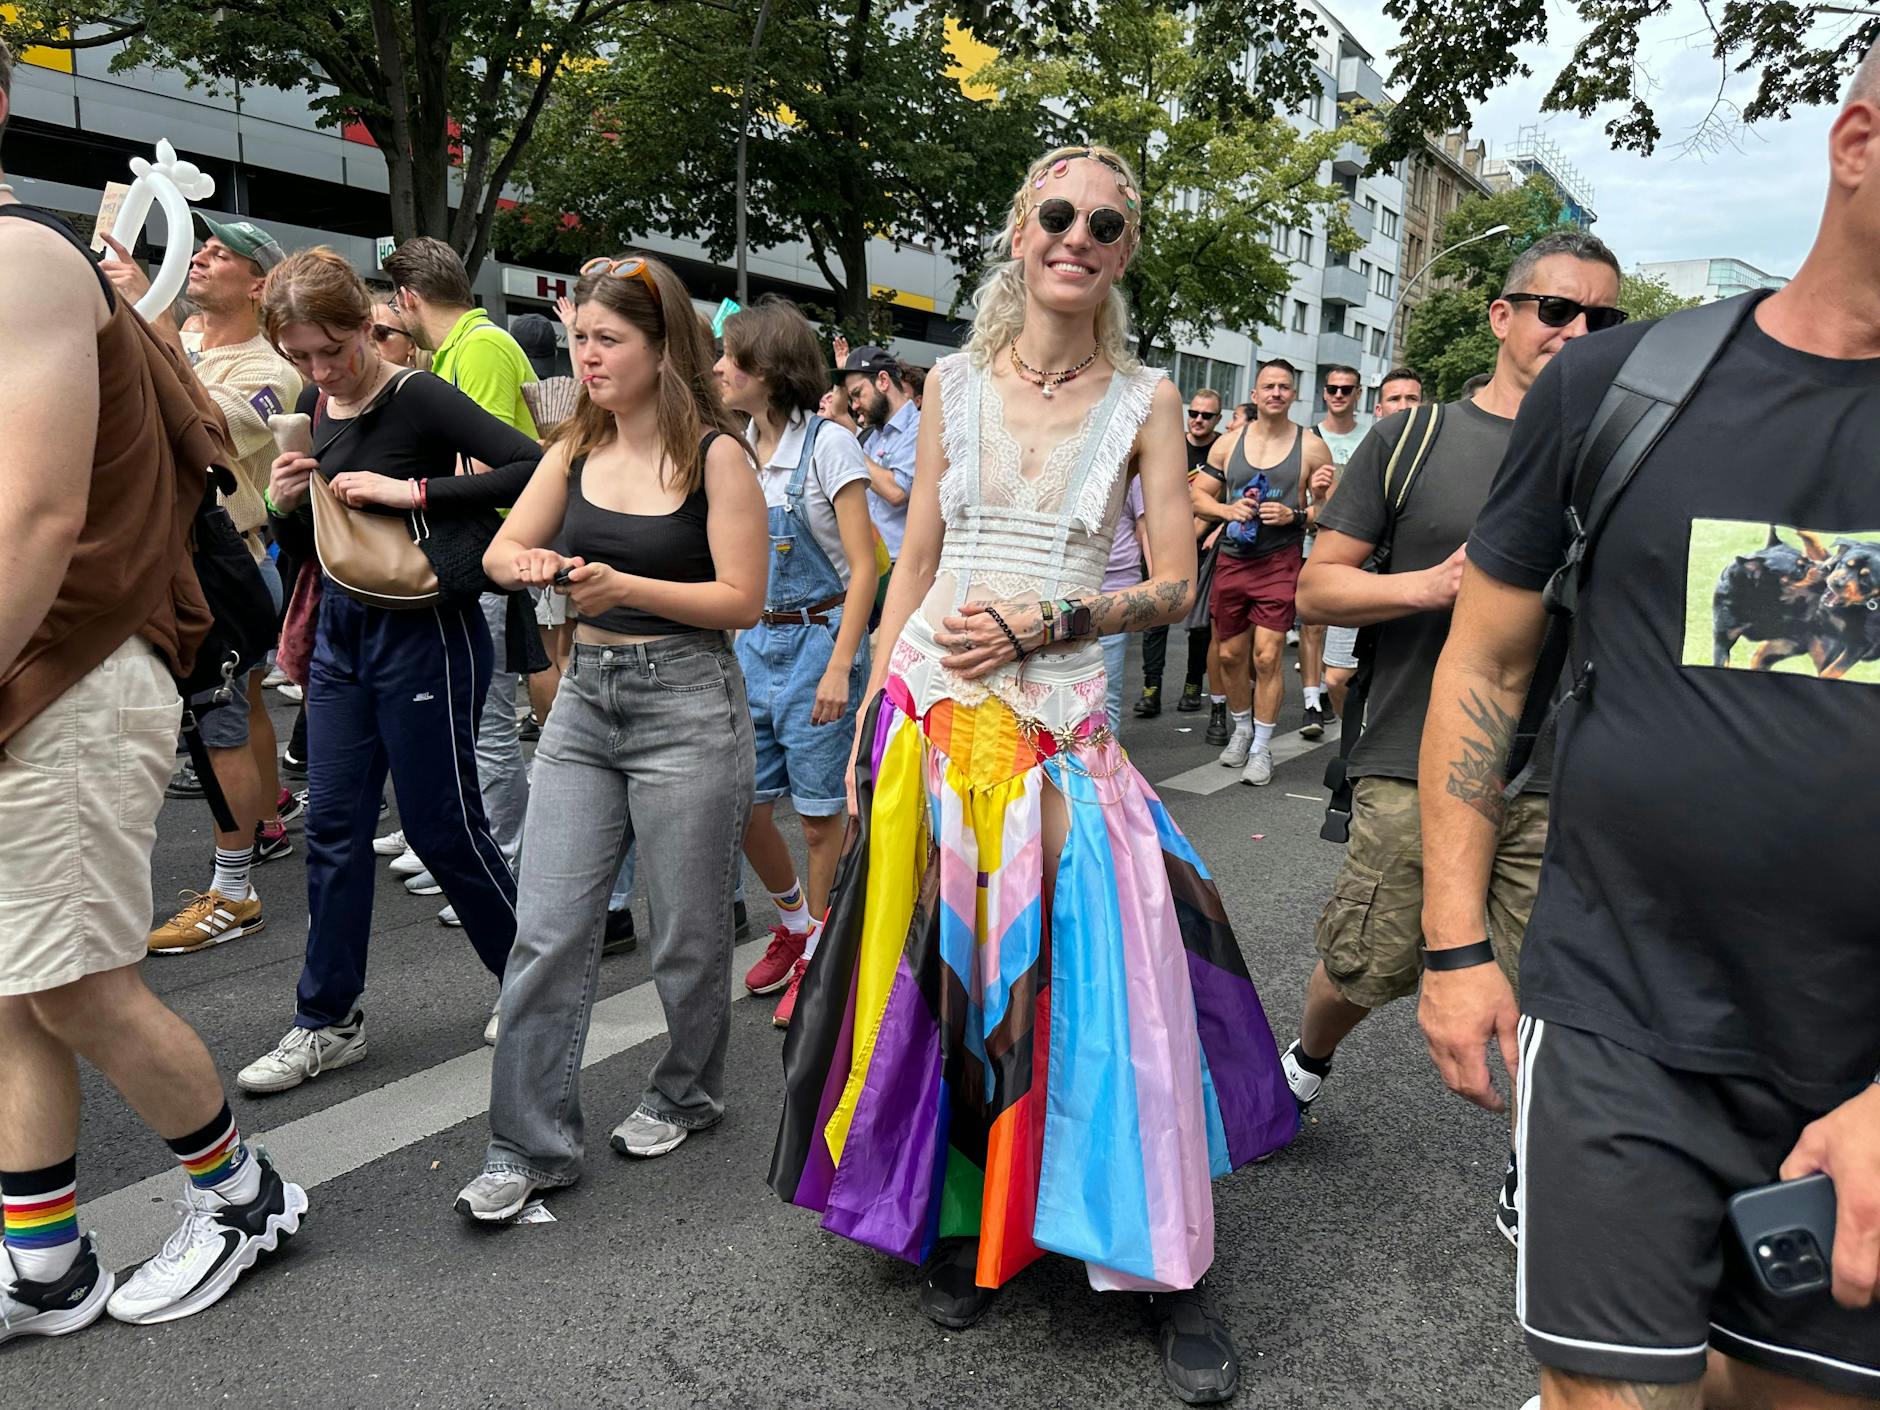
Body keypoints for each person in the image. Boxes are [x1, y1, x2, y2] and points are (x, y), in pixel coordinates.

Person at [768, 146, 1297, 1407]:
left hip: (1060, 718)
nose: (1076, 234)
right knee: (941, 969)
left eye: (1102, 223)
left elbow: (1174, 582)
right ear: (1019, 231)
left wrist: (1050, 619)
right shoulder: (948, 382)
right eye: (1055, 213)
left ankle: (1160, 1262)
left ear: (1120, 252)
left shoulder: (1148, 401)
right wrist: (864, 701)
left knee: (1106, 983)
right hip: (930, 717)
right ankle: (968, 1220)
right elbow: (915, 560)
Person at [1425, 50, 1880, 1409]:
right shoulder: (1621, 387)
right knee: (1611, 1397)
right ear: (1857, 142)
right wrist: (1454, 942)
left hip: (1860, 1055)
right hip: (1628, 1011)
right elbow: (1487, 665)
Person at [0, 45, 307, 1335]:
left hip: (60, 670)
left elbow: (35, 512)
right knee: (19, 983)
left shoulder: (17, 260)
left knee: (76, 984)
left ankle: (244, 1197)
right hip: (36, 674)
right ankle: (45, 1264)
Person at [1287, 232, 1622, 1250]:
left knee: (1537, 983)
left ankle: (1531, 1160)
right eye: (1555, 311)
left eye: (1601, 321)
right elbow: (1317, 586)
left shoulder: (1620, 450)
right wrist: (1434, 585)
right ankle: (1301, 1064)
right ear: (1501, 316)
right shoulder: (1413, 438)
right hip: (1407, 751)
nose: (1575, 333)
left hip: (1563, 764)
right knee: (1369, 959)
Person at [454, 252, 765, 1220]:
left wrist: (623, 588)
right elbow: (501, 551)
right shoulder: (575, 448)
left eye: (607, 339)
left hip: (687, 703)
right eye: (580, 337)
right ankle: (525, 1145)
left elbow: (740, 601)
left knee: (685, 932)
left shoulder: (717, 455)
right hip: (585, 702)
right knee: (545, 932)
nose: (585, 356)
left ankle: (686, 1089)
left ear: (664, 346)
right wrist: (532, 561)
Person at [236, 248, 543, 1094]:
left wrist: (414, 494)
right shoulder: (309, 406)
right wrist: (287, 501)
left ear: (368, 324)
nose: (319, 369)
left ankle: (529, 982)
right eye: (300, 356)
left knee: (444, 827)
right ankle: (326, 1019)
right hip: (342, 631)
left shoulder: (418, 393)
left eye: (332, 349)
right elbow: (310, 546)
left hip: (426, 629)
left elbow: (540, 465)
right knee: (332, 830)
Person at [96, 215, 304, 951]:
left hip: (225, 562)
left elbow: (199, 427)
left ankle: (233, 891)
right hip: (165, 555)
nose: (205, 257)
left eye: (226, 255)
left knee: (220, 721)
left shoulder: (274, 371)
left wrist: (141, 314)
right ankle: (256, 832)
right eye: (204, 247)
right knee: (236, 711)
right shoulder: (174, 335)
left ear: (260, 285)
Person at [712, 299, 878, 1029]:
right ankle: (798, 924)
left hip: (818, 640)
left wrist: (842, 665)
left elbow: (866, 567)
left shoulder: (829, 447)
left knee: (817, 820)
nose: (718, 367)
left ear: (769, 372)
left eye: (732, 357)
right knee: (741, 804)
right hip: (751, 642)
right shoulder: (736, 444)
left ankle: (820, 960)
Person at [382, 237, 539, 901]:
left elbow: (491, 464)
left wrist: (414, 490)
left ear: (409, 298)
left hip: (489, 553)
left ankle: (502, 863)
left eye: (393, 301)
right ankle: (477, 849)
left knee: (492, 722)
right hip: (476, 552)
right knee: (476, 716)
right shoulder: (463, 348)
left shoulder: (478, 349)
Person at [1193, 358, 1332, 785]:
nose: (1275, 393)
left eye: (1284, 387)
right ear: (1254, 395)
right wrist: (1225, 510)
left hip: (1279, 562)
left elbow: (1327, 512)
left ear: (1294, 395)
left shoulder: (1311, 447)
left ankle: (1261, 747)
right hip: (1233, 559)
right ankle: (1241, 730)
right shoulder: (1228, 444)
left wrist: (1297, 513)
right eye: (1268, 386)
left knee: (1268, 656)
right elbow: (1196, 496)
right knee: (1231, 656)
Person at [1135, 386, 1219, 718]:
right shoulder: (1172, 445)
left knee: (1199, 624)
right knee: (1154, 620)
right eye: (1194, 413)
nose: (1198, 420)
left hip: (1201, 546)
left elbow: (1220, 503)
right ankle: (1151, 689)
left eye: (1206, 415)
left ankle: (1192, 686)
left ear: (1218, 418)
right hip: (1161, 543)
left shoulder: (1219, 450)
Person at [1300, 364, 1365, 740]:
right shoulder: (1309, 438)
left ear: (1357, 394)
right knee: (1312, 622)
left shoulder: (1371, 437)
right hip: (1312, 540)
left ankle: (1333, 686)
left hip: (1354, 548)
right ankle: (1312, 702)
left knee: (1345, 625)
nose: (1339, 395)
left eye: (1347, 389)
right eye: (1333, 389)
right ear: (1324, 393)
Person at [838, 342, 920, 564]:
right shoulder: (873, 435)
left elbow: (896, 492)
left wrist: (848, 443)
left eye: (857, 394)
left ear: (883, 381)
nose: (854, 406)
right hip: (870, 562)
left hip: (902, 565)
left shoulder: (921, 428)